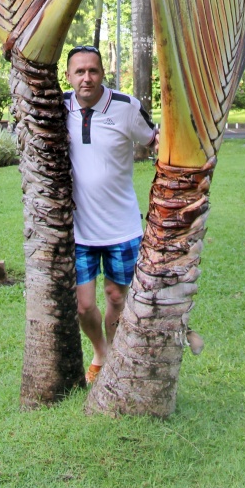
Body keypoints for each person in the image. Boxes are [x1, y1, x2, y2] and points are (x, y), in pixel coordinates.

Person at [64, 45, 157, 384]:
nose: (86, 78)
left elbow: (154, 140)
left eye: (93, 70)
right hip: (78, 231)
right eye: (79, 71)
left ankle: (114, 359)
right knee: (83, 305)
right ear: (68, 76)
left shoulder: (125, 107)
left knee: (117, 298)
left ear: (103, 73)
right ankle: (100, 351)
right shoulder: (57, 107)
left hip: (122, 227)